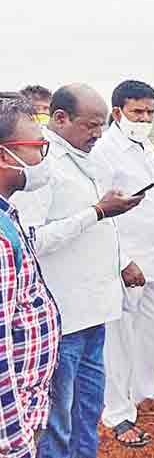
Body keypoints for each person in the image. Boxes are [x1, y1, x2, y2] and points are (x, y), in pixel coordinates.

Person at [14, 84, 143, 456]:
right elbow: (32, 240)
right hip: (62, 317)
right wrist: (97, 212)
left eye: (101, 125)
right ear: (59, 118)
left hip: (94, 311)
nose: (97, 133)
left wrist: (120, 253)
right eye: (90, 125)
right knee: (58, 416)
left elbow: (103, 226)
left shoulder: (91, 162)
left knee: (88, 407)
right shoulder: (41, 167)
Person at [93, 79, 154, 446]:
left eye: (150, 112)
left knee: (151, 328)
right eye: (138, 111)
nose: (145, 118)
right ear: (118, 112)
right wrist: (123, 260)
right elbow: (101, 209)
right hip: (125, 262)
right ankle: (118, 413)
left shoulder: (144, 147)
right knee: (120, 338)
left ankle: (146, 390)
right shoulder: (106, 150)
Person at [0, 97, 60, 458]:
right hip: (11, 427)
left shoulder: (8, 215)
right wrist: (13, 443)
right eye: (38, 147)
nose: (43, 159)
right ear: (4, 155)